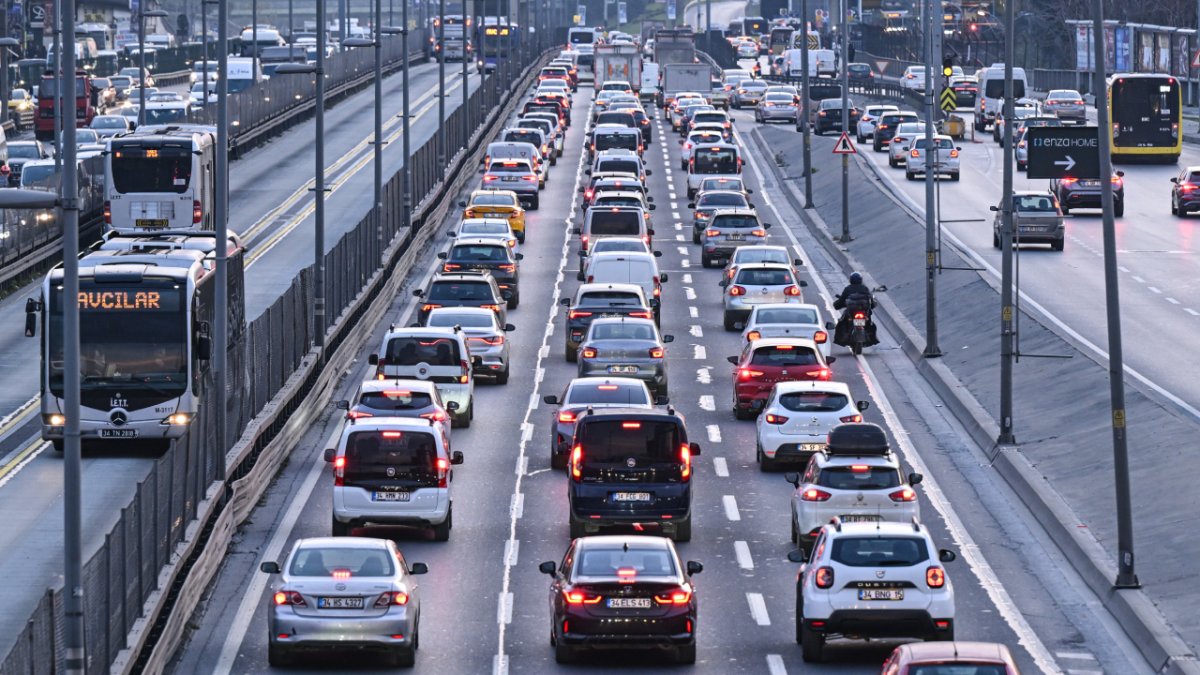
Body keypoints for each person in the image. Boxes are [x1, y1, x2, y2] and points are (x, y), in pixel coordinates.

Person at [832, 272, 878, 347]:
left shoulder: (848, 289)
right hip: (863, 312)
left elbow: (841, 300)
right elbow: (871, 301)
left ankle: (843, 338)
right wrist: (872, 305)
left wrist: (837, 305)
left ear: (851, 280)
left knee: (841, 322)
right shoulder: (865, 288)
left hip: (853, 313)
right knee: (870, 323)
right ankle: (871, 338)